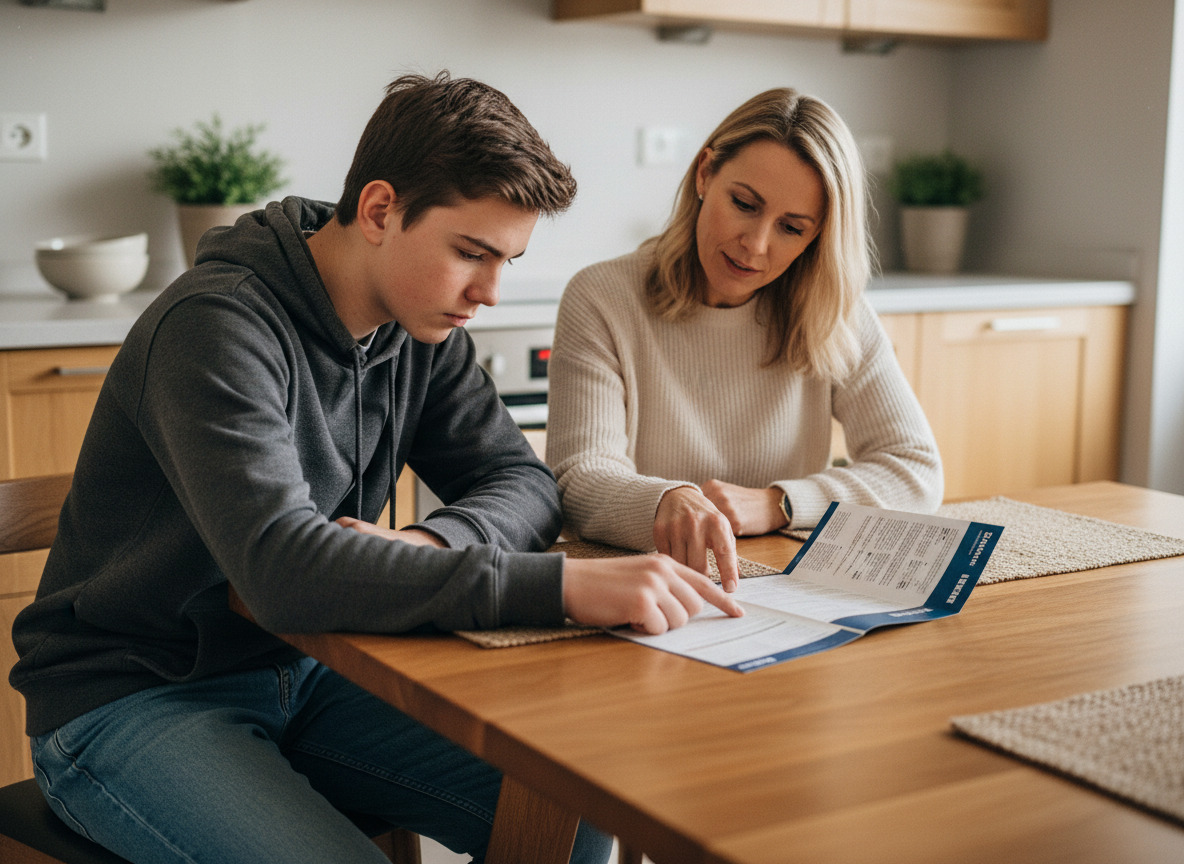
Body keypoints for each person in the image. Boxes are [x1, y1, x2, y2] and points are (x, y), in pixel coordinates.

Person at [9, 72, 742, 864]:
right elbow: (280, 572)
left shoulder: (418, 330)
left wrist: (434, 544)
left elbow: (523, 481)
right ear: (381, 210)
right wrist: (561, 587)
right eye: (471, 252)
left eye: (508, 259)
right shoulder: (214, 326)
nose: (490, 292)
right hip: (136, 696)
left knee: (581, 812)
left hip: (314, 671)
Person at [546, 87, 943, 591]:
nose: (755, 245)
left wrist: (781, 502)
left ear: (818, 236)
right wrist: (669, 501)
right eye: (744, 204)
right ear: (705, 173)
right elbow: (577, 478)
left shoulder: (834, 311)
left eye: (791, 228)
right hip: (648, 583)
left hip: (781, 582)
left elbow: (916, 472)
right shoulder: (602, 298)